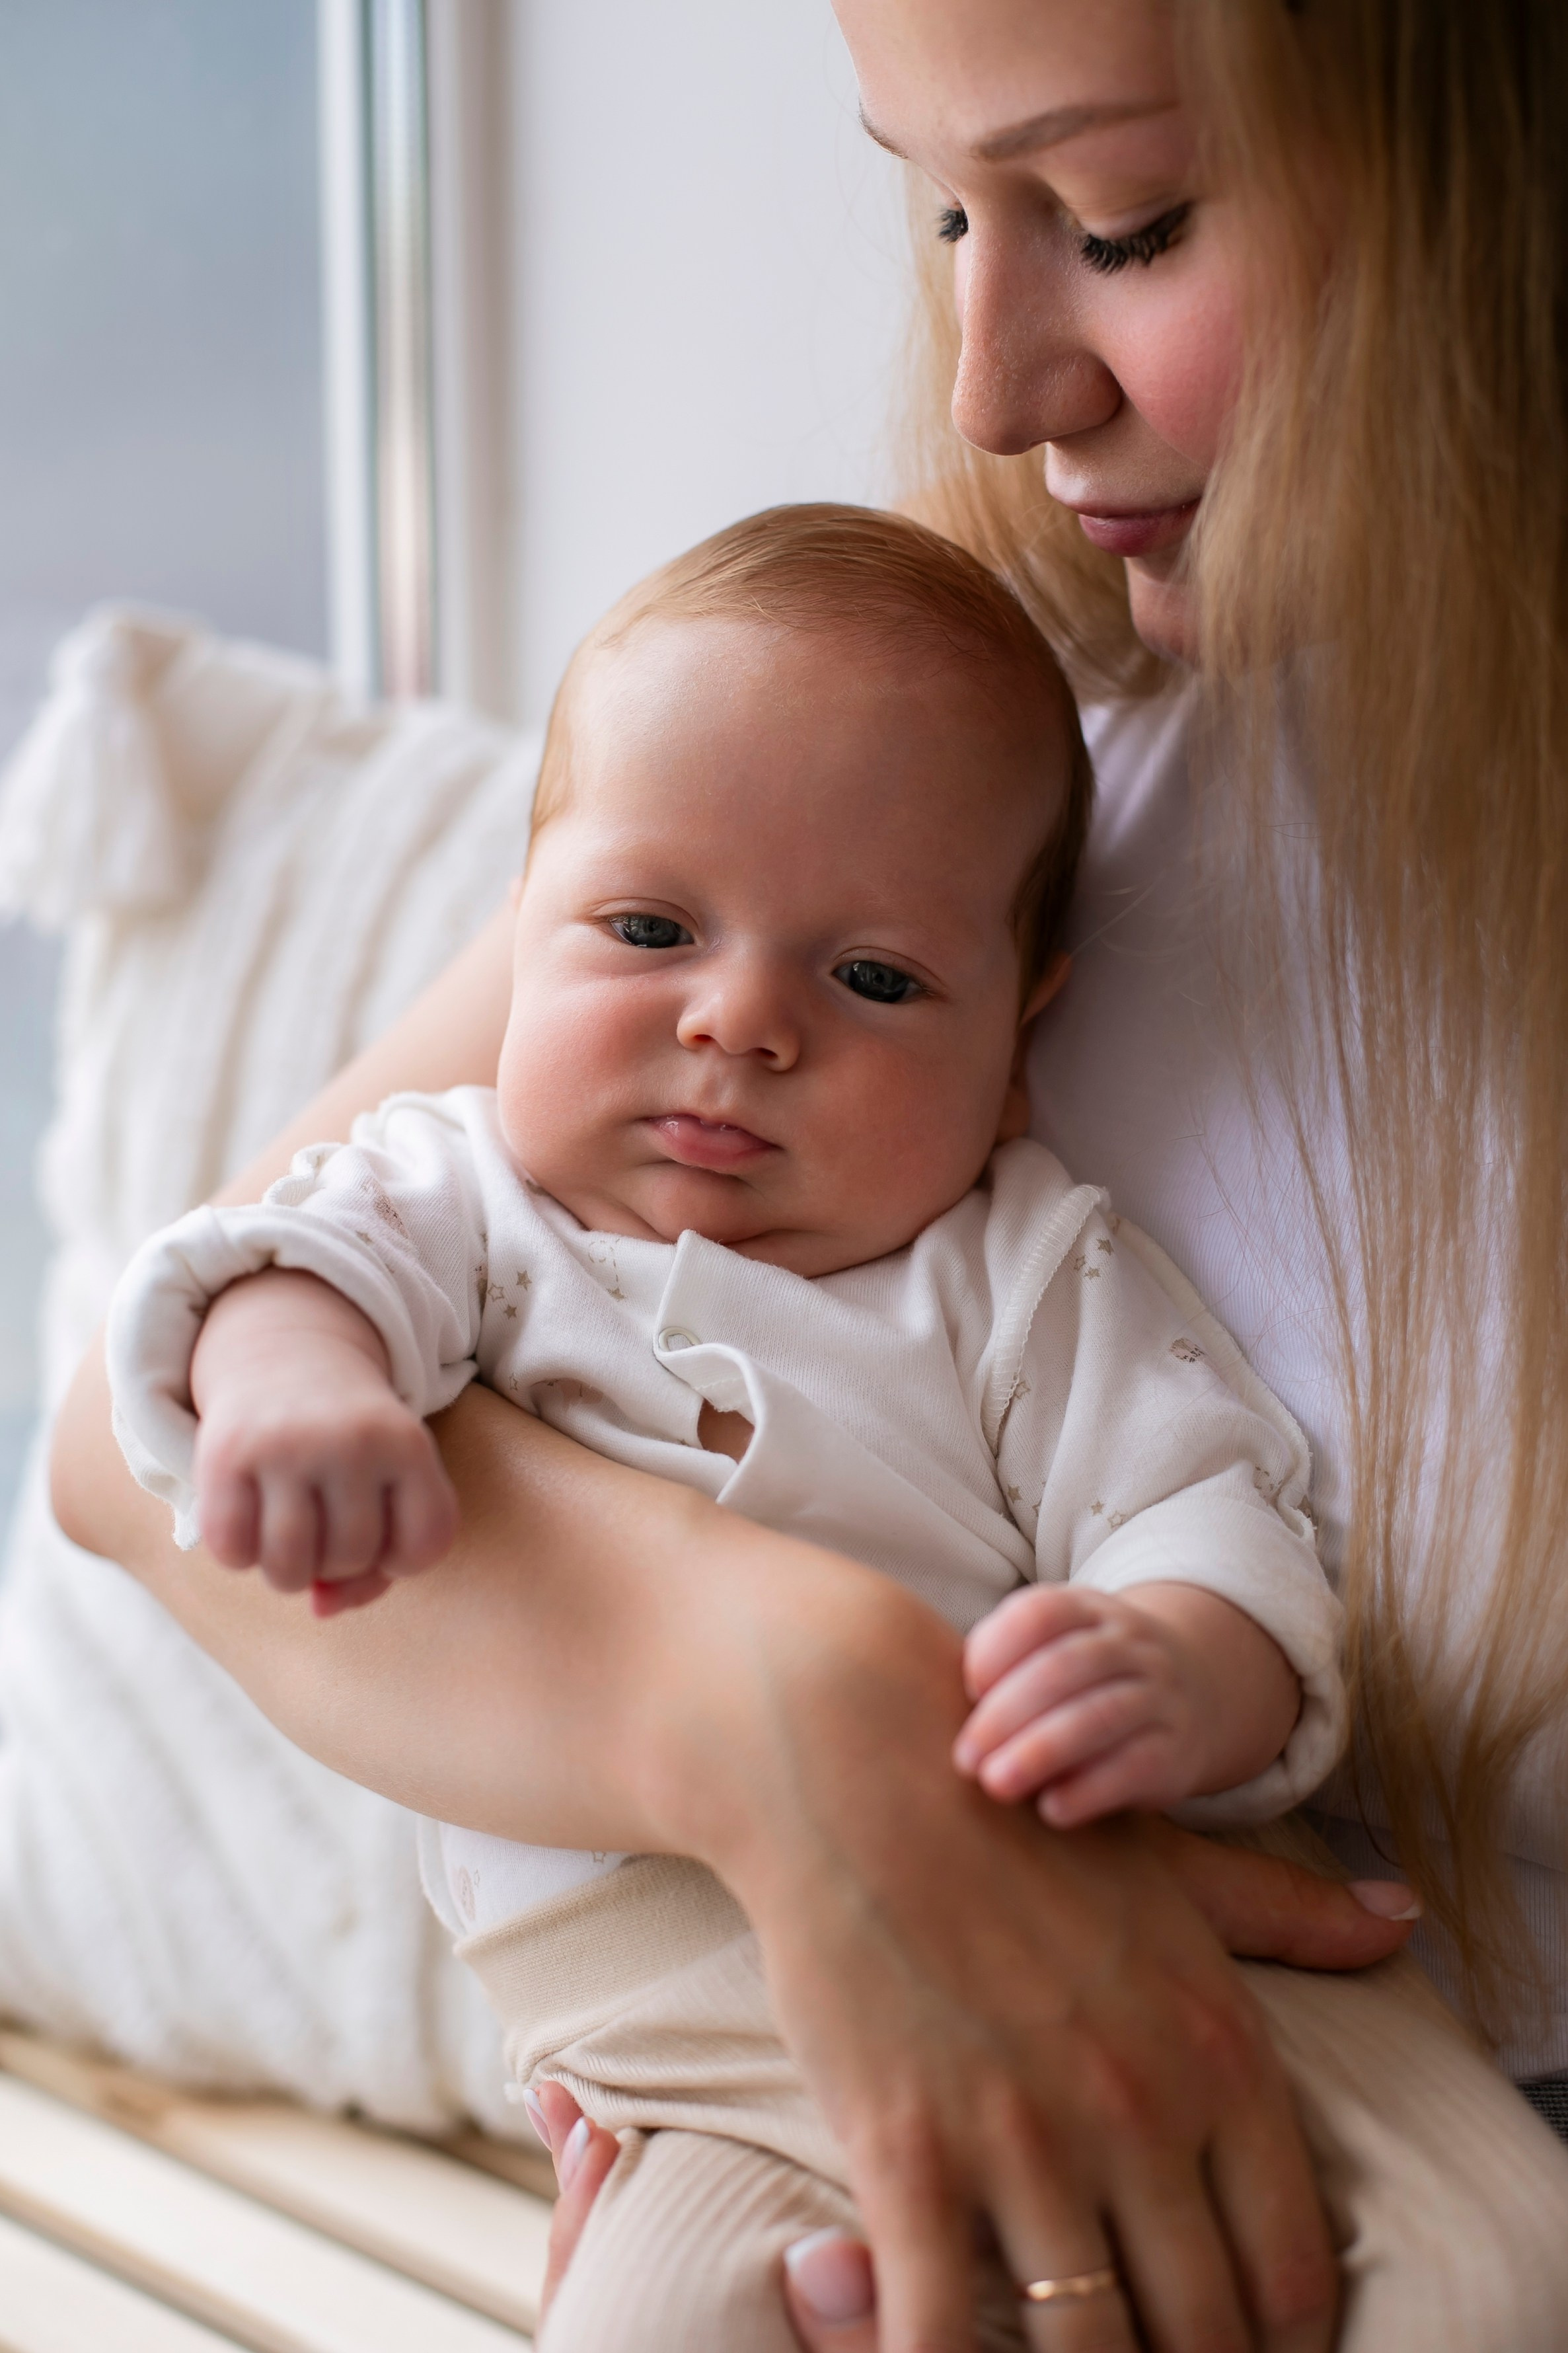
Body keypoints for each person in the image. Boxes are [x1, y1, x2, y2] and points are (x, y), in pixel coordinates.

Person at [46, 3, 1568, 2348]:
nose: (992, 385)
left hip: (1282, 2077)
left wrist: (1165, 1671)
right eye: (945, 203)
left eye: (1125, 219)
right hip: (718, 2015)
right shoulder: (930, 731)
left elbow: (1192, 1505)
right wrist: (784, 1714)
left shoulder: (986, 1015)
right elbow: (146, 1417)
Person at [104, 506, 1345, 2349]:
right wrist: (304, 1377)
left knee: (1482, 2276)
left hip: (1068, 1915)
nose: (741, 1020)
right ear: (520, 931)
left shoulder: (1014, 1270)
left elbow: (1210, 1509)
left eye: (875, 981)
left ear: (1021, 1039)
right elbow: (274, 1265)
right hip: (666, 1986)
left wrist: (1183, 1658)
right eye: (650, 928)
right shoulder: (469, 1196)